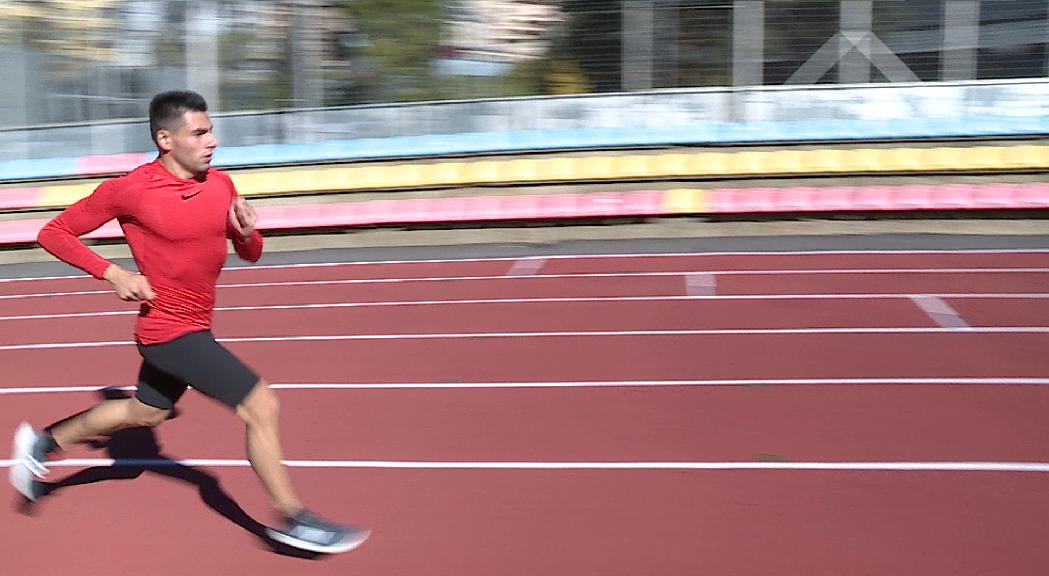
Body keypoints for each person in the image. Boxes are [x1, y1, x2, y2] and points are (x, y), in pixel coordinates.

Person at [7, 90, 369, 555]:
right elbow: (52, 232)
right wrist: (113, 273)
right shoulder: (130, 189)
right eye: (199, 132)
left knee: (146, 412)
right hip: (168, 331)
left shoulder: (220, 184)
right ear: (165, 139)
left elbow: (251, 254)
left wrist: (247, 232)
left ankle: (42, 444)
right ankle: (293, 520)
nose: (212, 140)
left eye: (211, 130)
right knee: (261, 405)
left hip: (195, 322)